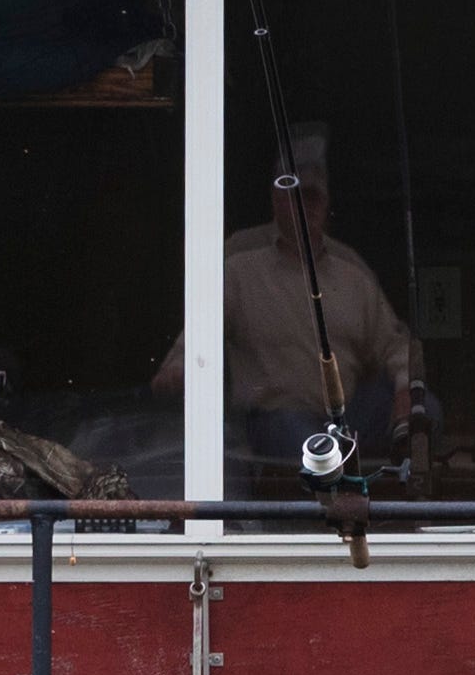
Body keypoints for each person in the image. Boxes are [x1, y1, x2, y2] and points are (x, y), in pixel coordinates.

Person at [160, 135, 416, 488]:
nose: (302, 205)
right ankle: (337, 517)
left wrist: (405, 388)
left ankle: (412, 514)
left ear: (326, 203)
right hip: (275, 419)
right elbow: (201, 331)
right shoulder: (240, 265)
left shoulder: (351, 272)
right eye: (292, 194)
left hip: (347, 417)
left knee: (424, 409)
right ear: (275, 199)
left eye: (311, 196)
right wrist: (179, 366)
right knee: (313, 452)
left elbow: (394, 344)